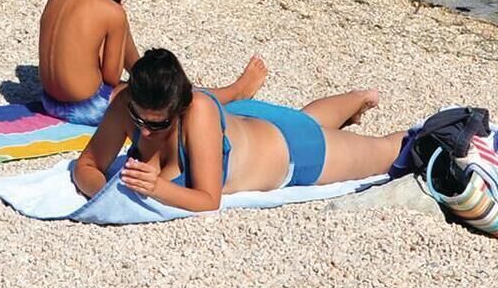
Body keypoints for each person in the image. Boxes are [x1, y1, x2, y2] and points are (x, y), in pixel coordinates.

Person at [73, 49, 400, 209]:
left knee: (389, 152)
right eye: (140, 120)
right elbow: (86, 166)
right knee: (307, 119)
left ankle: (371, 101)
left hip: (292, 151)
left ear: (179, 107)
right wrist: (105, 192)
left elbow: (208, 199)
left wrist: (154, 187)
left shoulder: (197, 111)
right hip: (247, 122)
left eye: (158, 124)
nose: (144, 132)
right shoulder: (125, 103)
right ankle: (358, 99)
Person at [36, 0, 141, 123]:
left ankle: (141, 69)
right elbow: (111, 78)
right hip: (87, 107)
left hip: (48, 101)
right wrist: (119, 17)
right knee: (153, 94)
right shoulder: (111, 11)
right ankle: (142, 72)